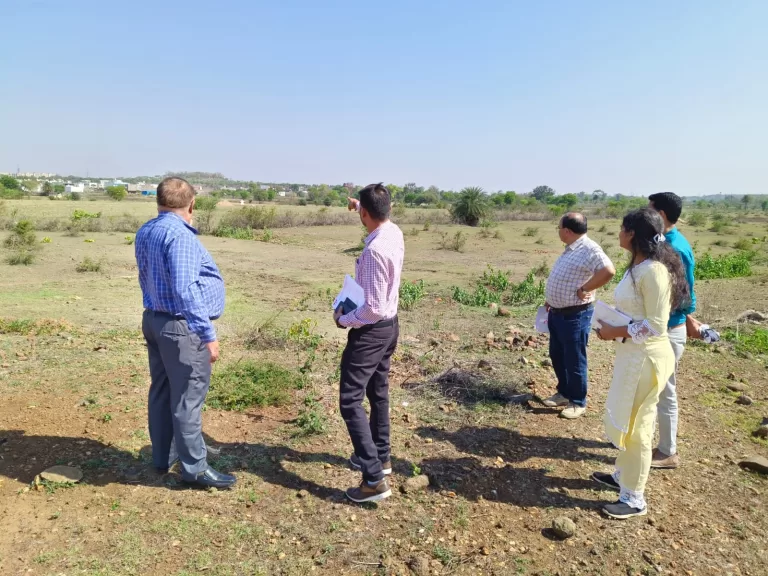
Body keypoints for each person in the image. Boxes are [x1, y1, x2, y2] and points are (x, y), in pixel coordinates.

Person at [135, 177, 235, 489]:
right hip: (181, 327)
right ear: (191, 205)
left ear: (159, 202)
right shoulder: (180, 236)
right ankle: (194, 469)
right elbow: (185, 290)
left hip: (155, 320)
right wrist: (207, 333)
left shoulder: (147, 230)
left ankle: (164, 457)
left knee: (162, 390)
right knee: (188, 398)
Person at [592, 208, 689, 519]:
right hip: (632, 354)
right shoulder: (638, 266)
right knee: (627, 417)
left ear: (632, 233)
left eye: (622, 228)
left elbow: (656, 325)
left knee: (639, 427)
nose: (618, 233)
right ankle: (623, 475)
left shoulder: (654, 272)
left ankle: (634, 498)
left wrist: (614, 331)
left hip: (647, 357)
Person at [335, 183, 404, 503]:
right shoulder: (393, 232)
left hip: (372, 331)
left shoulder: (375, 250)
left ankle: (373, 479)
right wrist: (359, 205)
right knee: (377, 392)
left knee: (350, 400)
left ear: (365, 213)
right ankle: (382, 457)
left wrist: (343, 319)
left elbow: (372, 308)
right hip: (390, 328)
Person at [542, 213, 616, 419]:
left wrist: (586, 288)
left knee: (574, 359)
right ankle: (564, 393)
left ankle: (578, 401)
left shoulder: (589, 248)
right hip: (557, 313)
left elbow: (608, 271)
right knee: (557, 355)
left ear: (567, 231)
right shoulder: (572, 249)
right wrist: (552, 298)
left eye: (559, 227)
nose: (558, 231)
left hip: (575, 315)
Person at [647, 192, 695, 469]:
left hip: (667, 329)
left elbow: (685, 295)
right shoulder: (664, 243)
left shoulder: (676, 248)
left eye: (650, 210)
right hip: (660, 327)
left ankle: (667, 451)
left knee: (665, 392)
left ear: (662, 215)